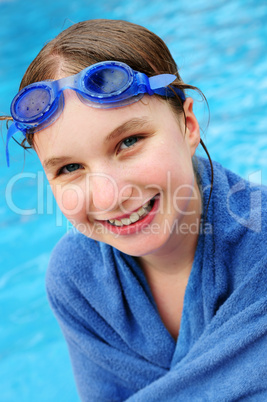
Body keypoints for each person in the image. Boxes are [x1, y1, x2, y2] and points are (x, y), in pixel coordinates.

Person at [2, 19, 267, 401]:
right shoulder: (78, 280)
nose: (109, 197)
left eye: (129, 141)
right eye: (70, 168)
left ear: (189, 125)